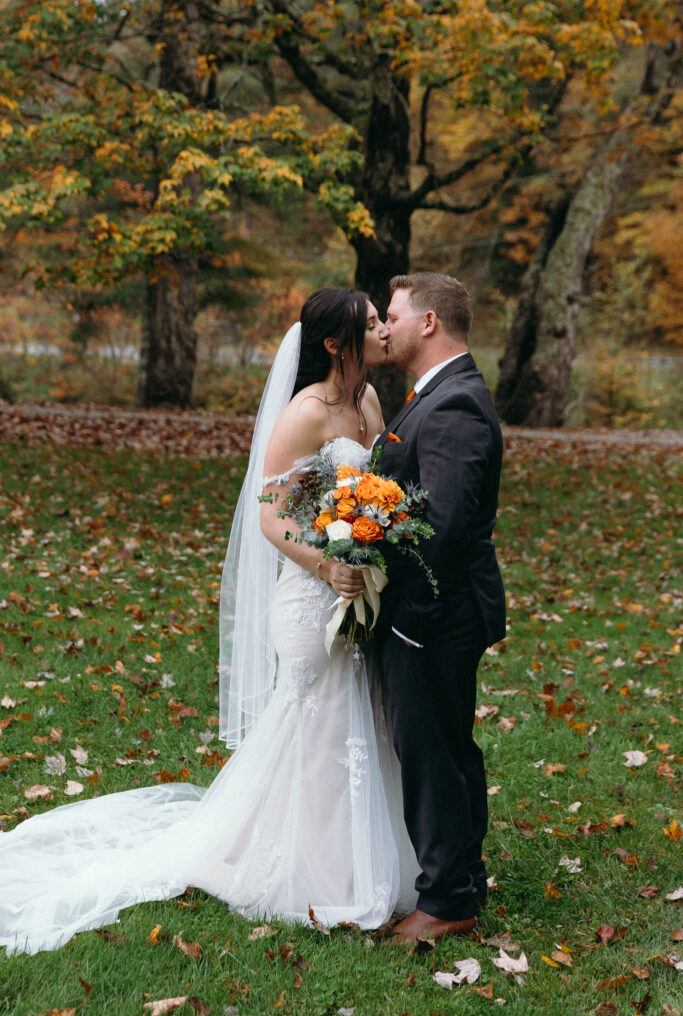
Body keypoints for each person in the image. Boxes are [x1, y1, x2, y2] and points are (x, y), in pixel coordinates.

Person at [0, 287, 419, 956]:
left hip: (356, 585)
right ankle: (294, 864)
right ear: (336, 344)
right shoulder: (305, 413)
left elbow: (375, 493)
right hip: (311, 594)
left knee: (359, 718)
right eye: (370, 325)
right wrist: (326, 566)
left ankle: (358, 856)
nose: (382, 330)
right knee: (314, 721)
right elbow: (271, 515)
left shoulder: (368, 402)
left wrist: (371, 546)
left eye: (381, 320)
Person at [374, 272, 506, 943]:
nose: (383, 327)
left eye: (392, 315)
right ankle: (456, 881)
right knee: (442, 748)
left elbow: (445, 528)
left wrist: (409, 618)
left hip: (434, 614)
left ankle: (448, 902)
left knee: (434, 752)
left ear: (427, 322)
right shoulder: (435, 395)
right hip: (430, 608)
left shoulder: (452, 405)